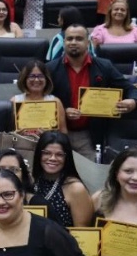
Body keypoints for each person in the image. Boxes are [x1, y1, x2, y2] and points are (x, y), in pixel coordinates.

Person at [47, 24, 137, 157]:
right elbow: (39, 99)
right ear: (64, 41)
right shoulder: (50, 68)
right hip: (58, 133)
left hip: (90, 136)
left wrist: (132, 101)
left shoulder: (104, 66)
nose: (73, 42)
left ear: (87, 42)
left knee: (90, 175)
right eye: (69, 39)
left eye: (79, 39)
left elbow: (129, 88)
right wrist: (62, 111)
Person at [27, 131, 94, 227]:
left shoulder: (76, 189)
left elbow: (82, 234)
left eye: (59, 155)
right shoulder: (31, 181)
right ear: (38, 155)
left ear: (67, 158)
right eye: (47, 153)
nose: (52, 158)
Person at [7, 59, 68, 139]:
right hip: (21, 146)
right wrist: (16, 133)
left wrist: (50, 135)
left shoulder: (55, 102)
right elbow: (6, 132)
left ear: (46, 79)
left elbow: (64, 133)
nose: (36, 80)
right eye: (32, 76)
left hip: (48, 148)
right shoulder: (14, 101)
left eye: (40, 76)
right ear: (25, 79)